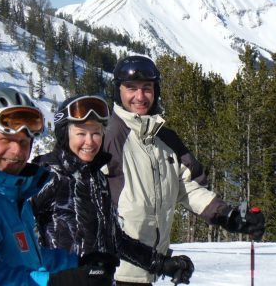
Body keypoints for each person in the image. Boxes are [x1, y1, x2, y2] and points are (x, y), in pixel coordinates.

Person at [103, 55, 267, 285]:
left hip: (148, 268)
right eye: (131, 88)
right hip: (115, 270)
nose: (139, 97)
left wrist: (228, 215)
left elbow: (186, 186)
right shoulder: (108, 137)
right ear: (118, 91)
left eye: (147, 88)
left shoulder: (164, 139)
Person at [30, 95, 194, 286]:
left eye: (96, 133)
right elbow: (15, 241)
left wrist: (161, 263)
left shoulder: (97, 179)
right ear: (65, 134)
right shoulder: (48, 174)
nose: (90, 142)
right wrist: (53, 279)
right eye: (81, 133)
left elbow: (115, 239)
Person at [0, 87, 104, 286]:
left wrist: (78, 263)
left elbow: (27, 257)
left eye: (24, 142)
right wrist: (52, 282)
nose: (17, 151)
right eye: (5, 140)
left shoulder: (9, 192)